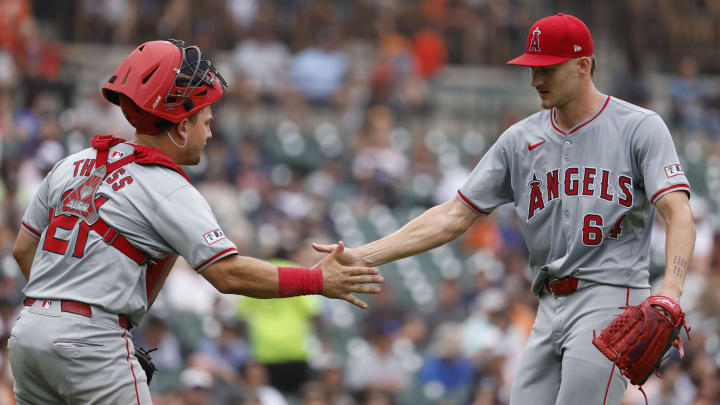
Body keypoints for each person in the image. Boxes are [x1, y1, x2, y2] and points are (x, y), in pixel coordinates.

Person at [314, 13, 695, 405]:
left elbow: (677, 212)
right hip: (549, 304)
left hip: (611, 295)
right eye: (532, 68)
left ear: (583, 66)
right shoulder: (520, 139)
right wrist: (362, 255)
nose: (535, 80)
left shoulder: (639, 127)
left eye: (547, 68)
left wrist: (670, 292)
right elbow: (452, 216)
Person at [9, 39, 383, 405]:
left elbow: (24, 250)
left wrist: (56, 310)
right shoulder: (165, 185)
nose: (210, 132)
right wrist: (316, 280)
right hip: (91, 341)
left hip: (28, 335)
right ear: (181, 127)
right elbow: (228, 275)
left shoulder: (74, 163)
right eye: (205, 121)